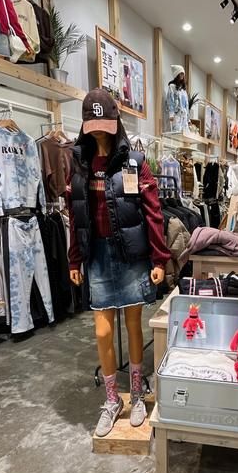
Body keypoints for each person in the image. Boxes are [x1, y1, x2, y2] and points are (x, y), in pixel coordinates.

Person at [66, 89, 170, 437]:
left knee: (134, 325)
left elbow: (153, 212)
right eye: (92, 125)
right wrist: (74, 258)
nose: (99, 131)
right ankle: (112, 399)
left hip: (131, 254)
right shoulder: (79, 163)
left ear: (115, 122)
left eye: (104, 124)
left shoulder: (135, 162)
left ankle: (136, 393)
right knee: (102, 330)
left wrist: (159, 256)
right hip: (96, 255)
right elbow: (75, 216)